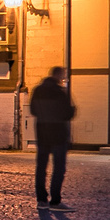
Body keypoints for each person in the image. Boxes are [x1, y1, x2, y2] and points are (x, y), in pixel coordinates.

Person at [31, 67, 76, 210]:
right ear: (58, 76)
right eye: (62, 75)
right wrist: (72, 109)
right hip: (58, 133)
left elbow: (33, 110)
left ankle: (41, 200)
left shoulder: (37, 90)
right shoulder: (61, 92)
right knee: (58, 167)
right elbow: (67, 114)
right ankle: (55, 201)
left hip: (42, 132)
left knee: (41, 167)